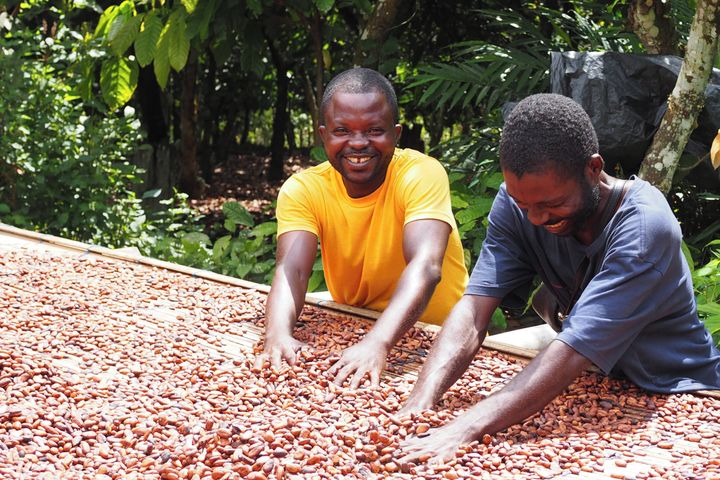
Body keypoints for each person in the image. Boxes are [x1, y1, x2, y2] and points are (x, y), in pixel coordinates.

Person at [396, 93, 720, 462]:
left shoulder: (645, 231)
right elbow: (474, 308)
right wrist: (421, 402)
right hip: (596, 382)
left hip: (679, 389)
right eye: (524, 205)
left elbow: (573, 348)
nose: (535, 218)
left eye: (551, 205)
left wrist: (465, 427)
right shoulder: (516, 203)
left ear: (593, 169)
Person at [254, 68, 468, 388]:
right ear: (323, 134)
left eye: (374, 130)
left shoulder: (420, 174)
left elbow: (426, 266)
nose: (357, 143)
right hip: (352, 329)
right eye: (342, 130)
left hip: (440, 339)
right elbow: (292, 271)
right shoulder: (303, 189)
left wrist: (377, 343)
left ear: (396, 134)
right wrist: (278, 334)